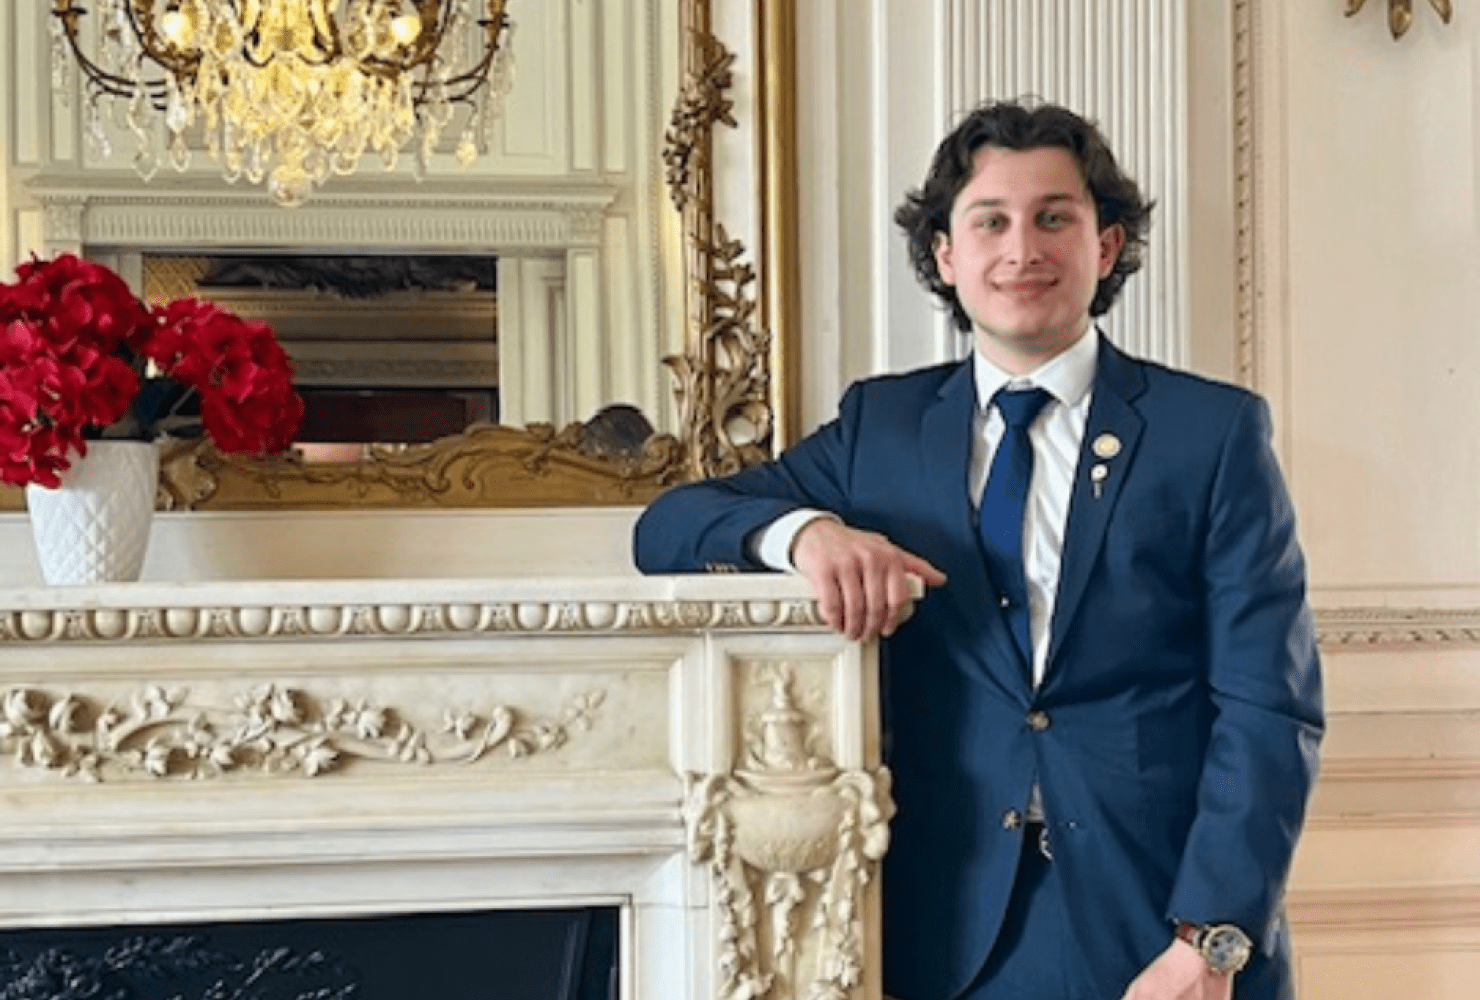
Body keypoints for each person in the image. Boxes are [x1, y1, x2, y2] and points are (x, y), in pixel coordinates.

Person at [633, 99, 1322, 1000]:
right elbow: (667, 526)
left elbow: (1269, 707)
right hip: (945, 921)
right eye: (990, 221)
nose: (1021, 249)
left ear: (1105, 247)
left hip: (1162, 921)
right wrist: (809, 534)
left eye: (1054, 218)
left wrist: (1213, 937)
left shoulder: (1213, 432)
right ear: (947, 256)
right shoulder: (881, 426)